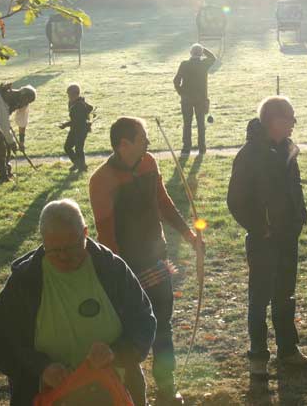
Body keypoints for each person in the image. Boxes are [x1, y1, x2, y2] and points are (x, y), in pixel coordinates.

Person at [0, 199, 156, 406]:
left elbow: (144, 322)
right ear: (43, 241)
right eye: (55, 250)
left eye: (72, 247)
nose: (64, 257)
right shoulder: (24, 281)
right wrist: (41, 369)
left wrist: (116, 352)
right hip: (50, 397)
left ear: (85, 233)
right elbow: (2, 344)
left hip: (114, 394)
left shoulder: (112, 269)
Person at [88, 117, 203, 406]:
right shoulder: (101, 181)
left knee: (162, 325)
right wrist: (123, 275)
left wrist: (189, 236)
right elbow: (106, 233)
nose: (148, 143)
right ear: (124, 144)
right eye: (143, 138)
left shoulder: (149, 162)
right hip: (125, 267)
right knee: (129, 332)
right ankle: (133, 396)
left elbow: (163, 203)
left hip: (156, 259)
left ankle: (167, 387)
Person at [227, 96, 307, 378]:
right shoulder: (250, 155)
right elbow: (236, 201)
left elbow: (293, 189)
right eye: (289, 119)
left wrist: (300, 216)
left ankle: (288, 350)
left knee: (285, 295)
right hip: (263, 240)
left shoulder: (288, 149)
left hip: (288, 235)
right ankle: (258, 357)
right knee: (260, 298)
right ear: (273, 121)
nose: (293, 124)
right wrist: (258, 226)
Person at [0, 83, 36, 182]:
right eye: (25, 100)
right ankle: (3, 176)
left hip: (2, 122)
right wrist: (12, 142)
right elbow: (4, 123)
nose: (25, 103)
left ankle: (8, 172)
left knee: (8, 148)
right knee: (1, 150)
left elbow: (22, 121)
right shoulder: (4, 97)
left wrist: (21, 141)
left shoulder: (24, 102)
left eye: (28, 102)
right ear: (22, 95)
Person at [173, 43, 216, 155]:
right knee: (201, 123)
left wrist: (181, 92)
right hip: (201, 99)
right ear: (201, 54)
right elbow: (213, 58)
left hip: (186, 98)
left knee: (187, 123)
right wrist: (203, 48)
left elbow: (176, 81)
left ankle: (186, 148)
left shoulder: (184, 64)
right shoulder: (204, 64)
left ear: (190, 53)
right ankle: (202, 148)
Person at [60, 83, 94, 172]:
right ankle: (78, 164)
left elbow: (77, 121)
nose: (68, 96)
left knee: (79, 148)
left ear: (76, 94)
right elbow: (90, 108)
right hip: (74, 129)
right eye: (68, 95)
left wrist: (65, 125)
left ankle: (82, 167)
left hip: (81, 129)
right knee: (67, 147)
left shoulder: (80, 105)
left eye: (70, 95)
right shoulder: (72, 102)